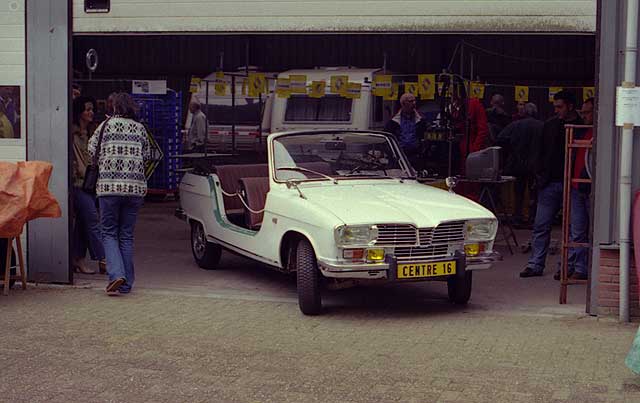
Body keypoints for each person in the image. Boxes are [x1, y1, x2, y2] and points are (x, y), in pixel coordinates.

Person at [89, 93, 150, 294]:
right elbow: (148, 155)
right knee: (126, 235)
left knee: (108, 233)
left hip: (109, 188)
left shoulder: (105, 126)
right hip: (134, 189)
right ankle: (126, 284)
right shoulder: (140, 128)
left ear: (114, 107)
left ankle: (116, 275)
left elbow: (91, 152)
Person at [520, 90, 583, 278]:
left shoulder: (581, 126)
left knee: (573, 228)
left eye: (560, 106)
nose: (556, 110)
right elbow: (539, 152)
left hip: (572, 183)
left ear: (570, 106)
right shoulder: (550, 125)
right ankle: (536, 263)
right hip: (550, 182)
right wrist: (540, 176)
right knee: (541, 226)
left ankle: (566, 266)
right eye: (555, 107)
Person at [560, 97, 595, 280]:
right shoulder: (582, 131)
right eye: (583, 112)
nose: (584, 115)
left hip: (590, 187)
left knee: (592, 230)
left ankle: (587, 267)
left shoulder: (598, 132)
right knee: (577, 230)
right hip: (576, 186)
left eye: (588, 112)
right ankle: (580, 268)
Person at [71, 96, 106, 275]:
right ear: (79, 113)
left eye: (92, 109)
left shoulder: (91, 133)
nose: (91, 112)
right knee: (92, 219)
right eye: (87, 109)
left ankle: (77, 260)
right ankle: (104, 259)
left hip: (90, 185)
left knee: (83, 224)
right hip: (77, 185)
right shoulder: (73, 135)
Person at [496, 102, 543, 225]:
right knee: (535, 194)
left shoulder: (515, 125)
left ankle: (517, 218)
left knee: (518, 194)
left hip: (518, 164)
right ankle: (533, 219)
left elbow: (500, 138)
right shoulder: (541, 126)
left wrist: (511, 149)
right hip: (535, 165)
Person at [383, 93, 428, 171]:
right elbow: (386, 138)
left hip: (415, 155)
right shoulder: (393, 121)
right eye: (410, 101)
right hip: (399, 155)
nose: (414, 103)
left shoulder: (421, 119)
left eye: (414, 101)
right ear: (403, 104)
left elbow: (425, 135)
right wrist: (391, 153)